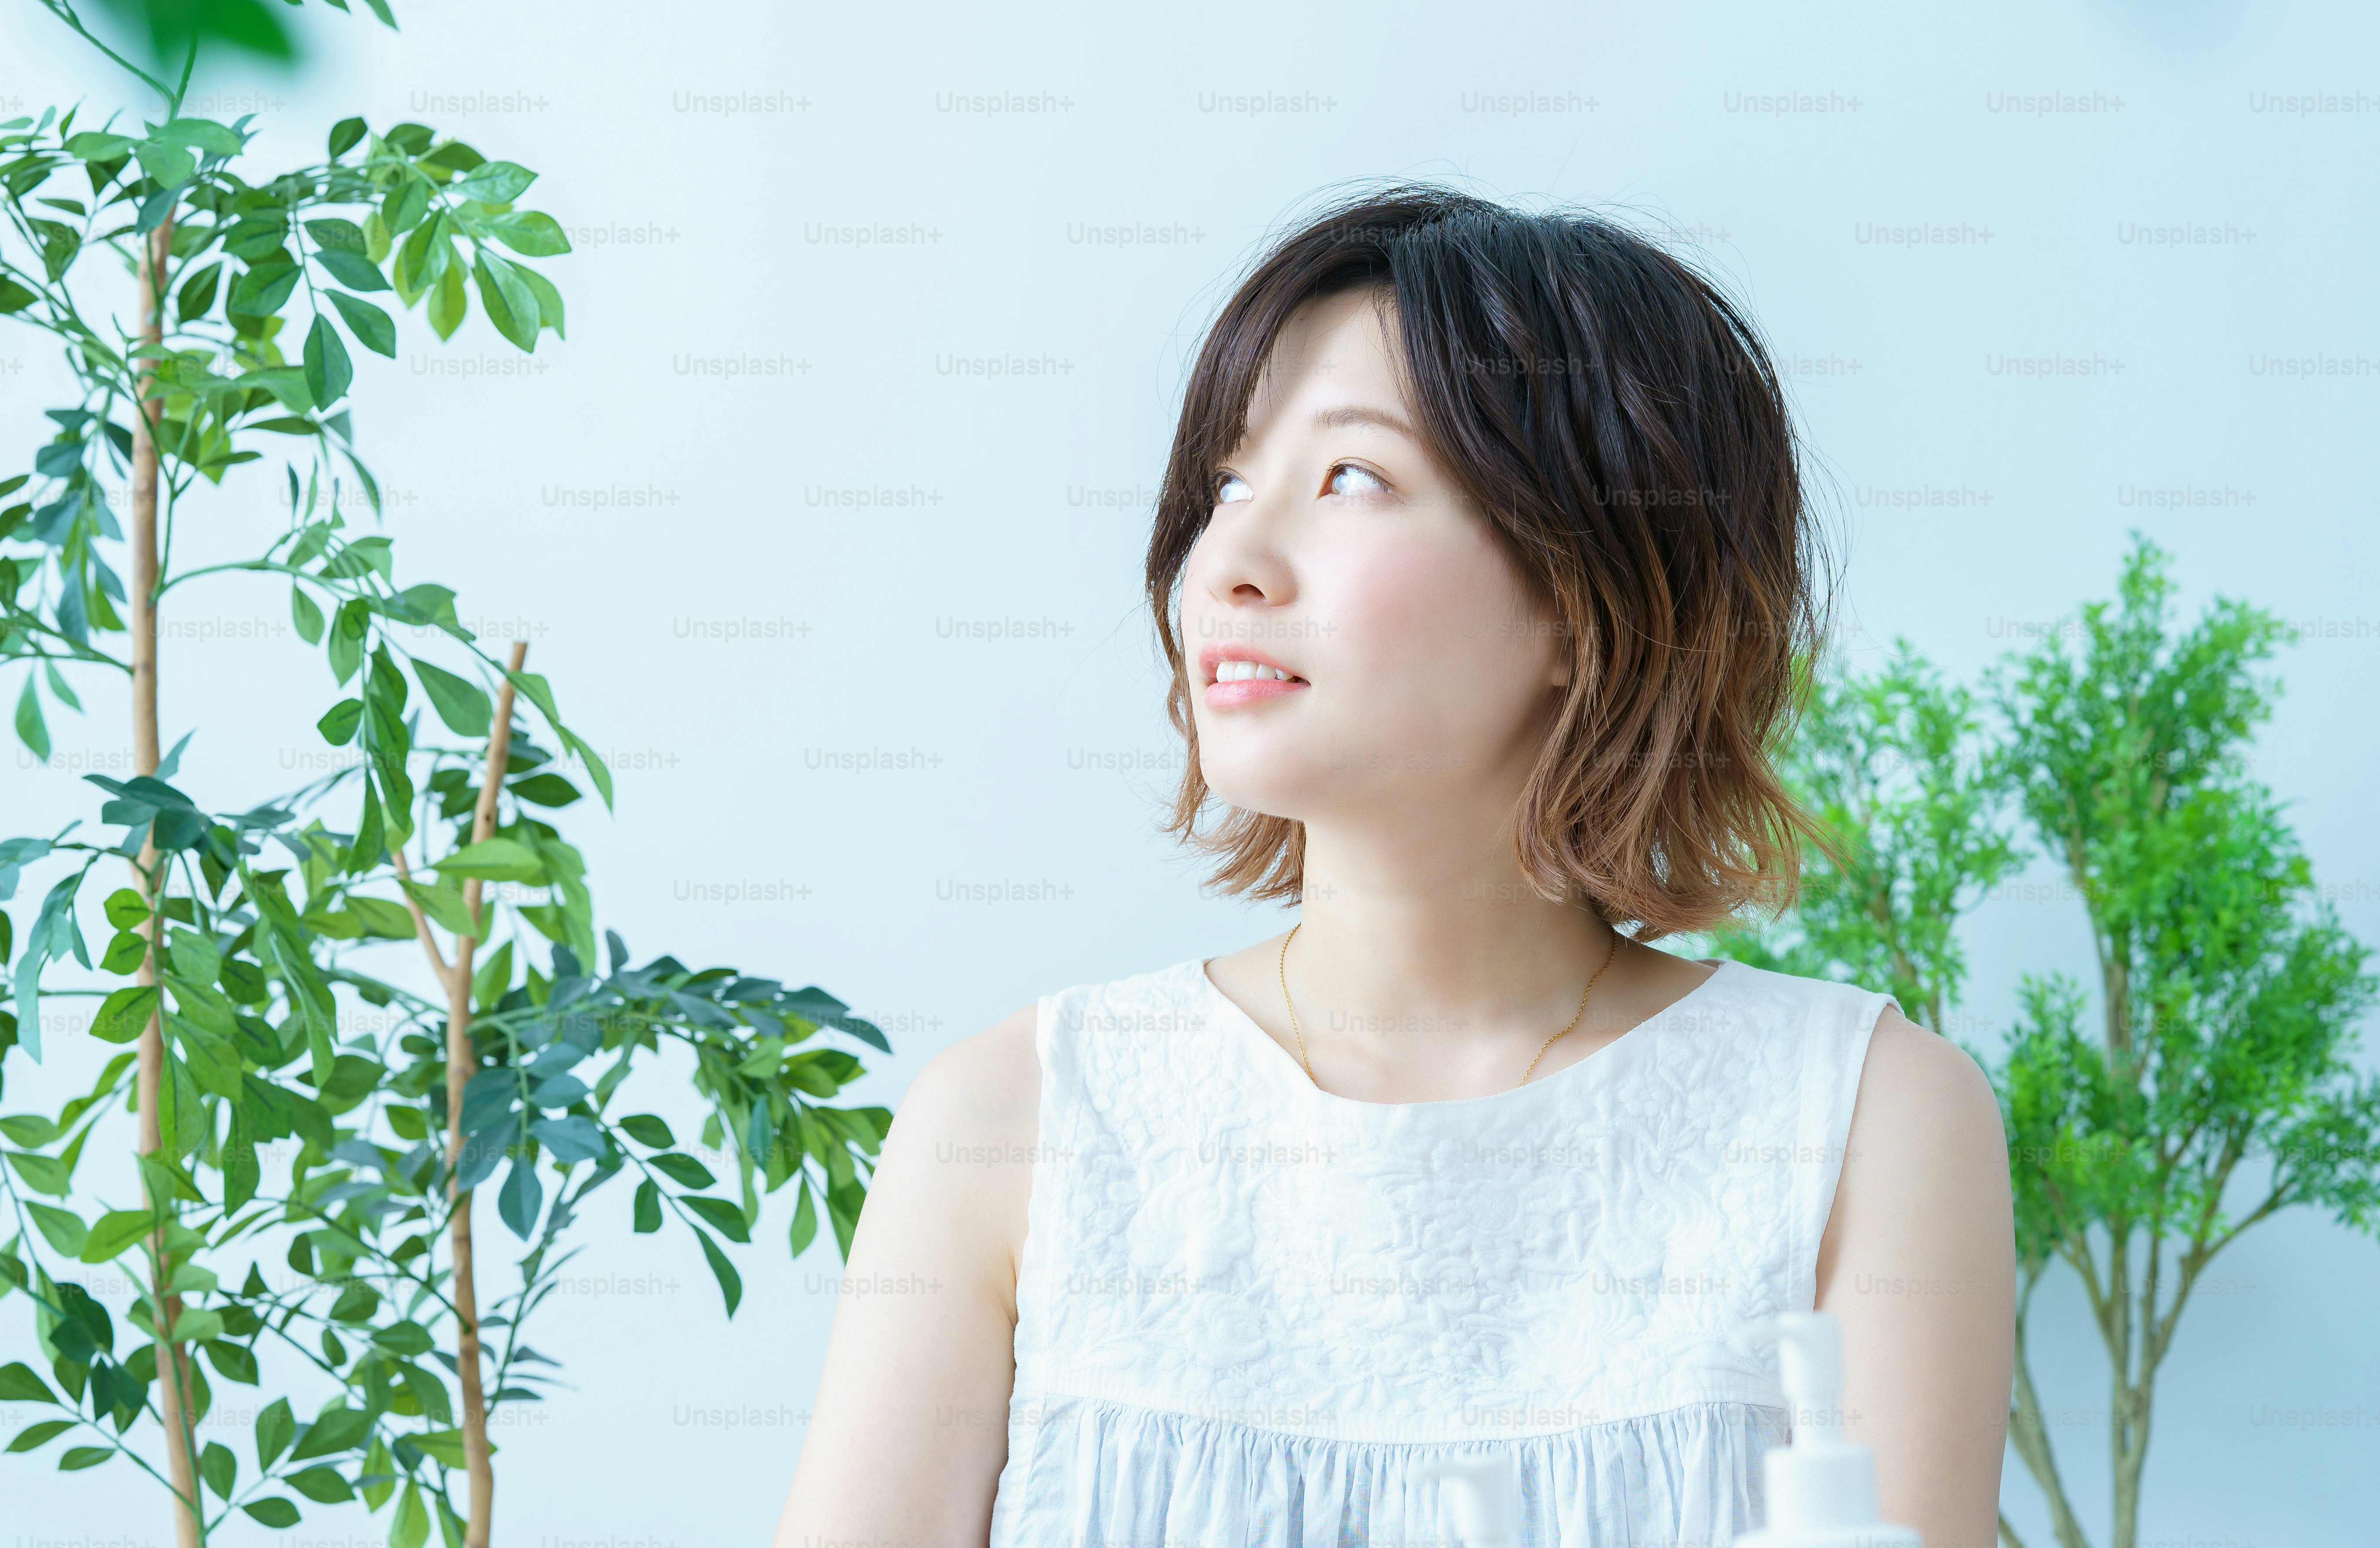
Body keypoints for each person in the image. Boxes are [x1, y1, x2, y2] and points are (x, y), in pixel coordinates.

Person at [774, 184, 2014, 1548]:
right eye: (1227, 483)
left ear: (1584, 597)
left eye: (1350, 477)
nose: (1228, 561)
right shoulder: (1014, 1125)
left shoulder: (1867, 1122)